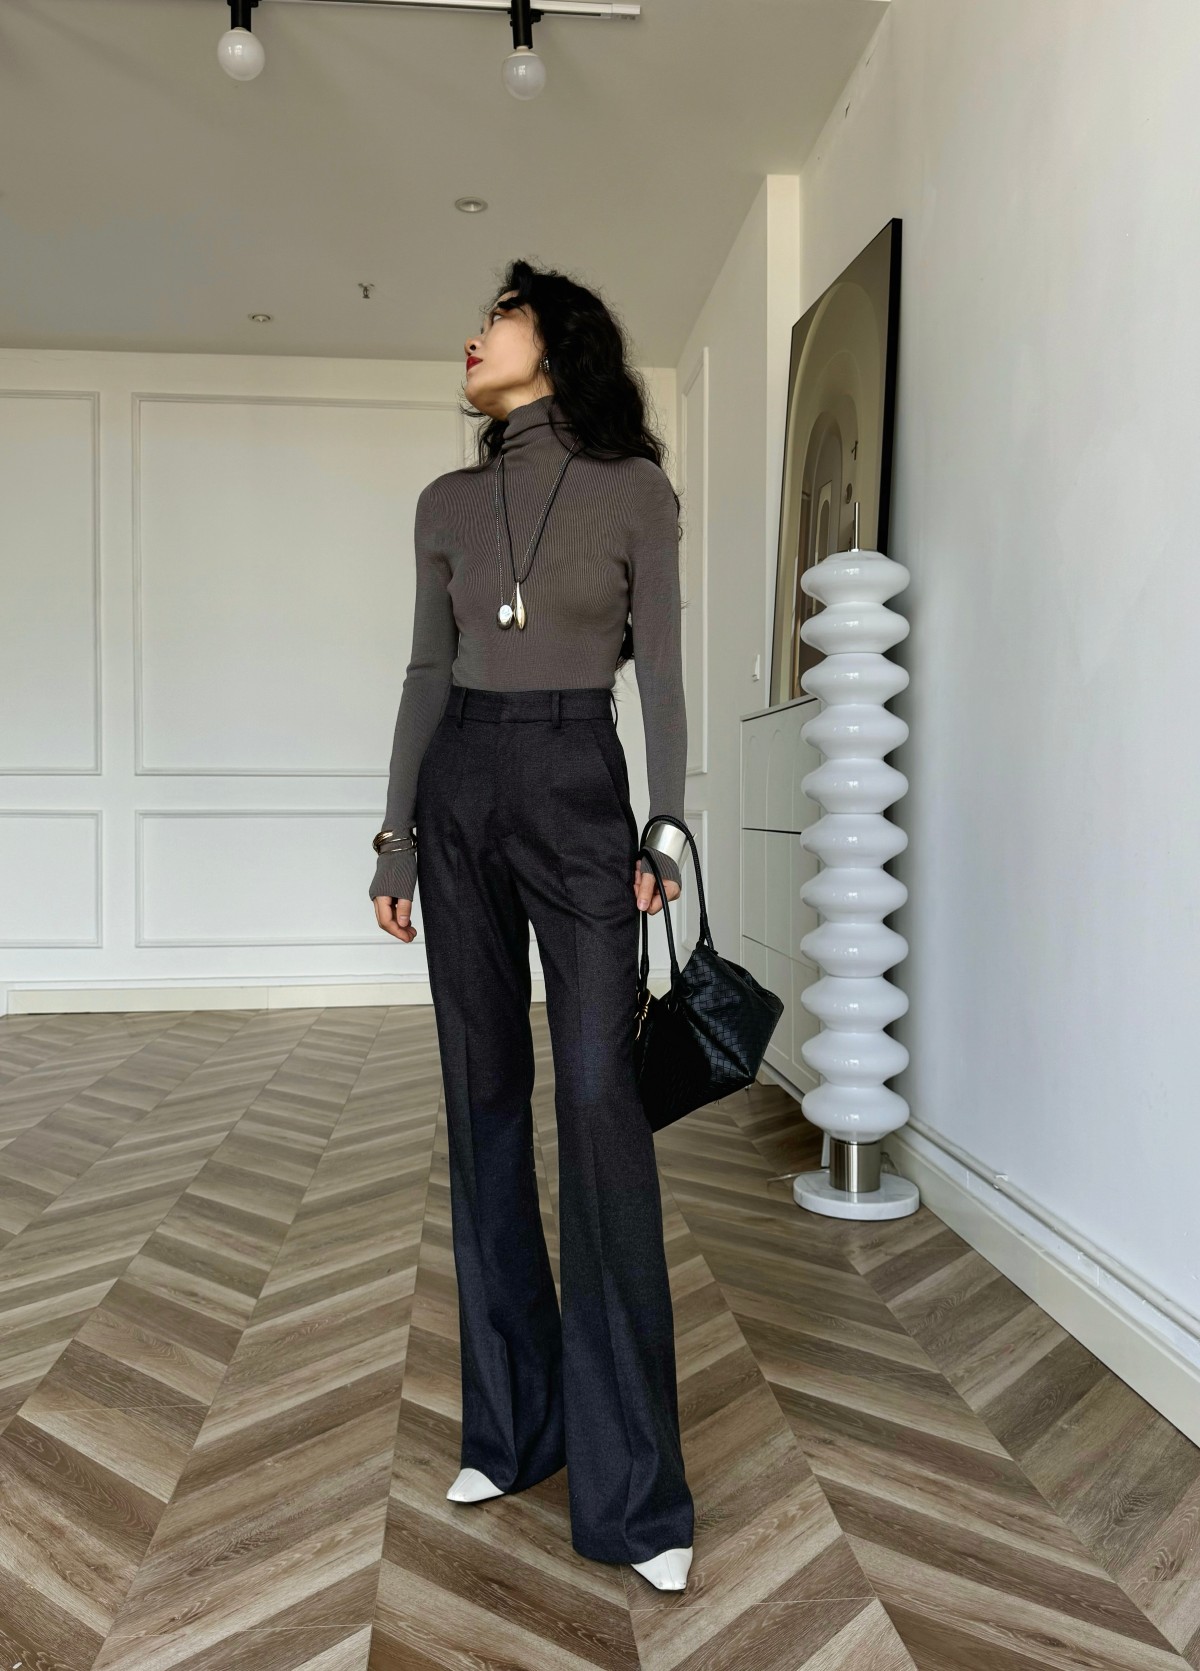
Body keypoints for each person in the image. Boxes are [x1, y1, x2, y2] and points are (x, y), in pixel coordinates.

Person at [369, 258, 694, 1590]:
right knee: (481, 1092)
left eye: (495, 319)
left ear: (553, 345)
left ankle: (638, 1503)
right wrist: (395, 833)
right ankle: (512, 1430)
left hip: (574, 779)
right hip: (459, 783)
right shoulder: (445, 503)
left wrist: (665, 825)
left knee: (602, 1104)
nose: (472, 336)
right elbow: (424, 670)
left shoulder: (634, 491)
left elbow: (661, 668)